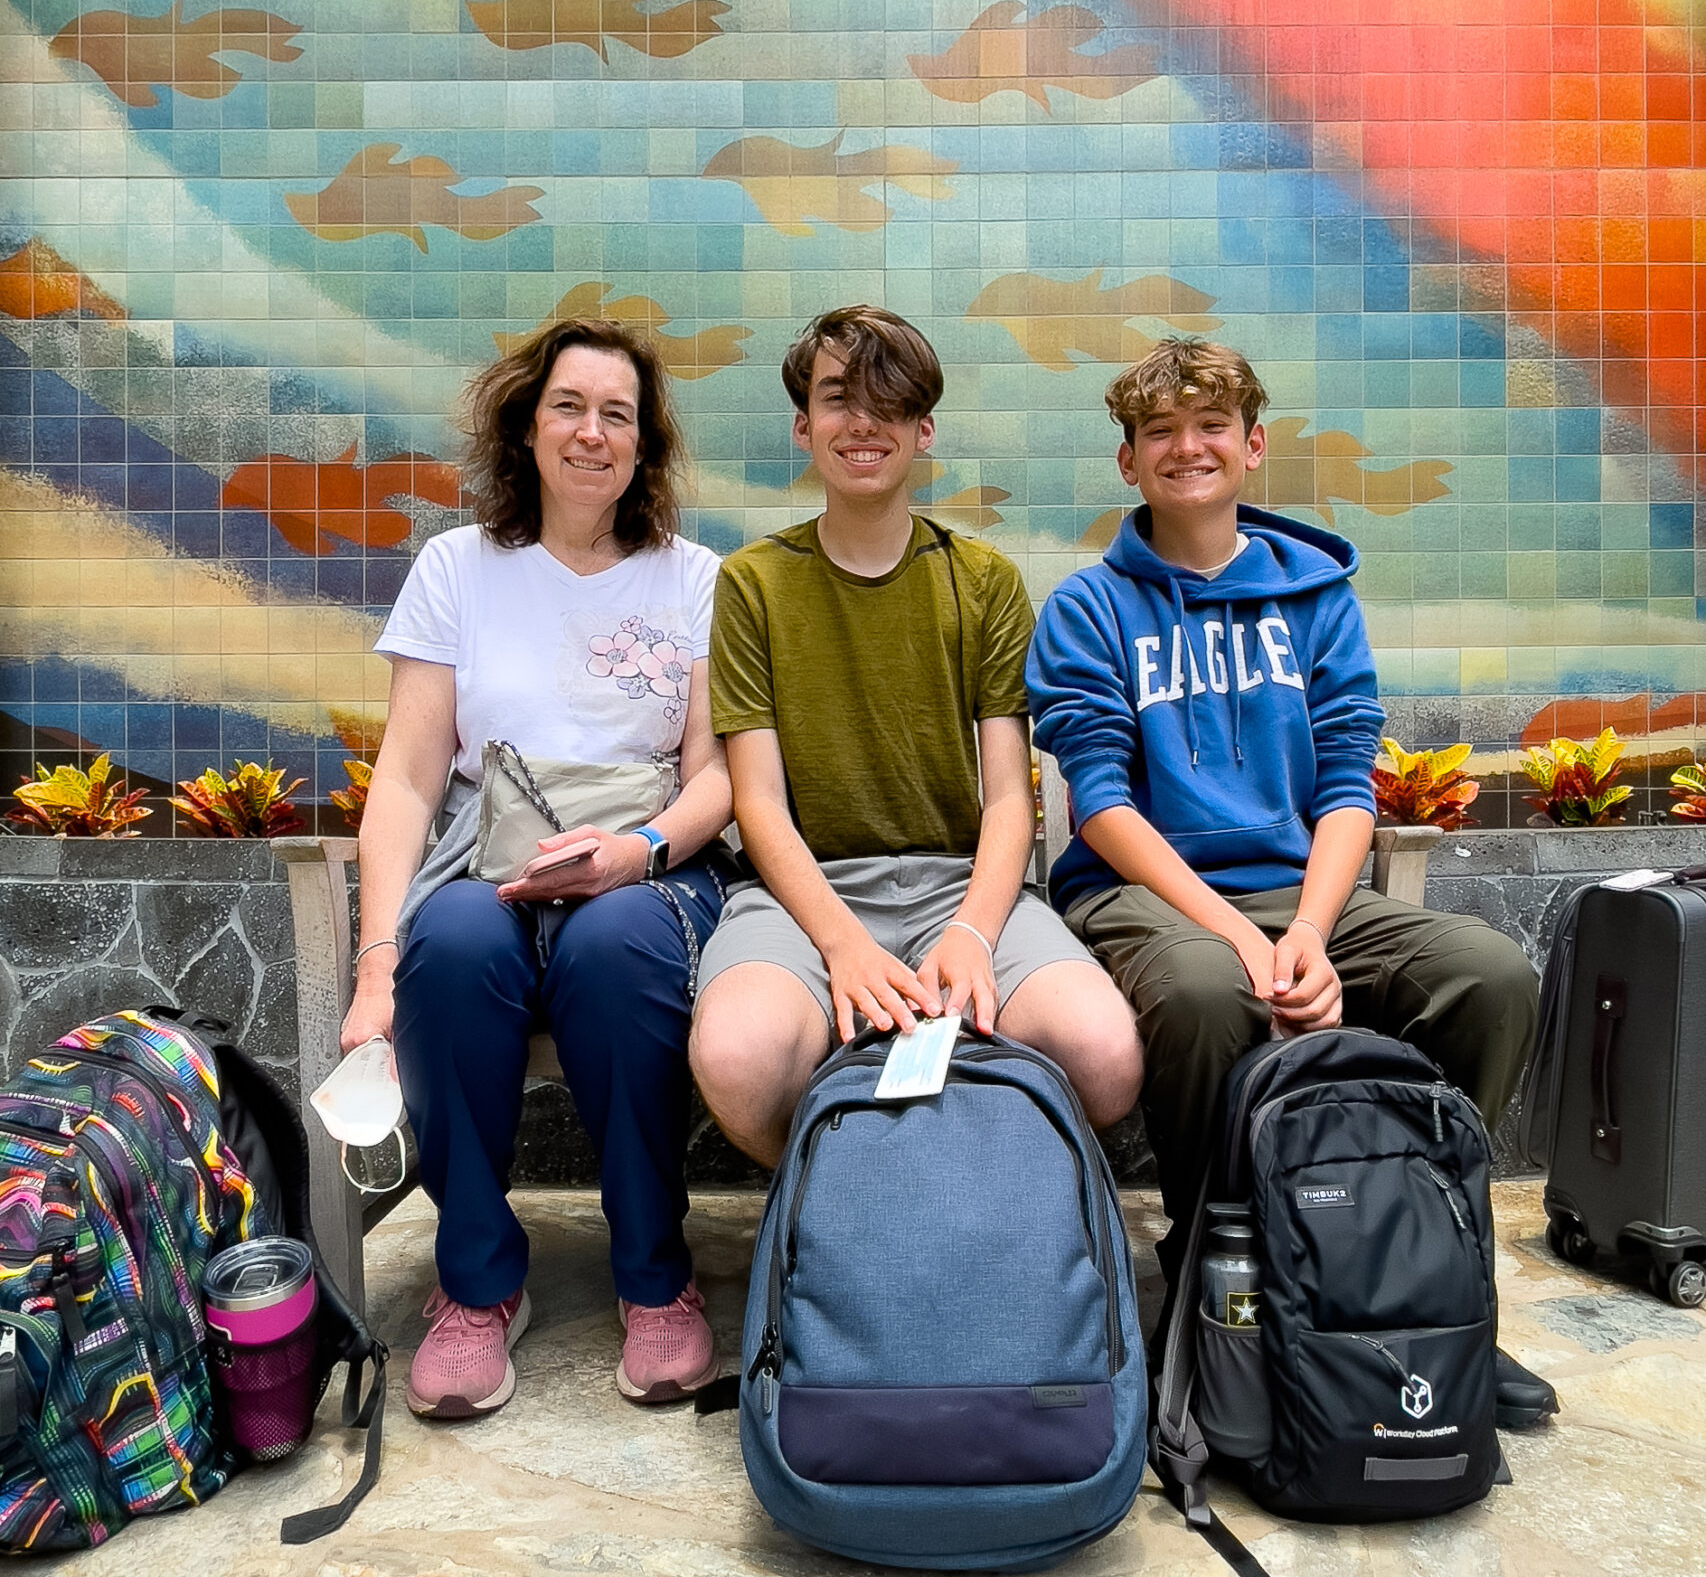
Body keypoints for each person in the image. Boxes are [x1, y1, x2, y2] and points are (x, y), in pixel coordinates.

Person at [1025, 336, 1556, 1427]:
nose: (1187, 447)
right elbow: (1101, 801)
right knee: (1202, 989)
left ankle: (1423, 1272)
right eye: (1159, 432)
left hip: (1305, 894)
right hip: (1149, 897)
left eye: (1209, 425)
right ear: (1128, 463)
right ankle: (1209, 1278)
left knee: (1488, 974)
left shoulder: (1316, 597)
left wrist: (1308, 930)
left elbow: (1346, 781)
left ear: (1252, 445)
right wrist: (1242, 938)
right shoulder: (1088, 608)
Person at [341, 318, 734, 1418]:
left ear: (644, 444)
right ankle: (475, 1280)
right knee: (453, 942)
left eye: (619, 413)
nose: (592, 431)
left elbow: (717, 777)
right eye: (570, 404)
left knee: (615, 950)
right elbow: (410, 783)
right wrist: (376, 963)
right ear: (526, 422)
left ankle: (655, 1274)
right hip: (484, 863)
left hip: (647, 868)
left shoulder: (694, 578)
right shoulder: (456, 569)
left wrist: (635, 854)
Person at [689, 304, 1141, 1165]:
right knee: (736, 1058)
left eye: (887, 402)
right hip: (803, 893)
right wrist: (842, 944)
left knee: (1105, 1057)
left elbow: (1010, 795)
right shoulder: (752, 584)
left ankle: (969, 1201)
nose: (862, 421)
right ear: (803, 425)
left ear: (923, 429)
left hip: (961, 885)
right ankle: (846, 1195)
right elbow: (757, 802)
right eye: (836, 398)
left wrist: (972, 932)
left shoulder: (983, 581)